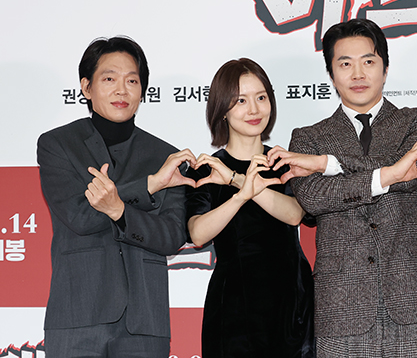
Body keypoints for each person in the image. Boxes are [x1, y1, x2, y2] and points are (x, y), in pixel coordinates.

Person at [268, 19, 417, 358]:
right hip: (342, 305)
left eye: (368, 61)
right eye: (345, 64)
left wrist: (328, 164)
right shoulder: (307, 138)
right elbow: (313, 199)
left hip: (415, 299)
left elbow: (414, 172)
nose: (358, 74)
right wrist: (389, 173)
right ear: (331, 74)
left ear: (385, 69)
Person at [37, 37, 195, 357]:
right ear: (87, 87)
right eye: (109, 79)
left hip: (144, 321)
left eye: (132, 81)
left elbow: (171, 237)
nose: (122, 90)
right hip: (77, 316)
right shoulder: (58, 145)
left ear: (143, 90)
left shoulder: (166, 157)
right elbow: (80, 217)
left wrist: (119, 210)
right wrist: (149, 186)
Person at [185, 58, 315, 358]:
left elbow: (295, 213)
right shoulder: (207, 168)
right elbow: (198, 233)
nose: (254, 109)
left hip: (290, 300)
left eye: (261, 97)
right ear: (223, 109)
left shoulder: (285, 162)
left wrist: (238, 180)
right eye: (241, 100)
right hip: (235, 302)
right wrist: (239, 196)